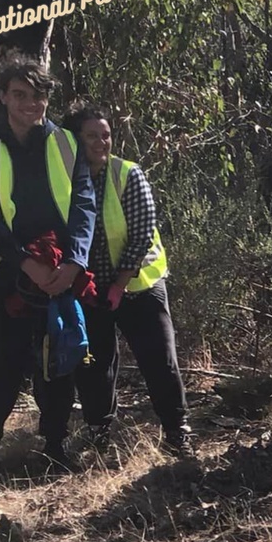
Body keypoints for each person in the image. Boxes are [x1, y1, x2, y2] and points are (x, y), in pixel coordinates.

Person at [0, 58, 97, 472]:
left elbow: (84, 207)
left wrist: (74, 262)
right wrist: (25, 264)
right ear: (2, 97)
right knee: (7, 360)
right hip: (7, 274)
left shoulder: (67, 144)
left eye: (38, 96)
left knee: (59, 360)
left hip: (61, 271)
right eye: (19, 94)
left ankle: (55, 446)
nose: (29, 104)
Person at [62, 107, 192, 459]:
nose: (101, 142)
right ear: (75, 141)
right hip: (89, 291)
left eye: (105, 134)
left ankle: (176, 431)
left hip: (139, 287)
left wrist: (119, 284)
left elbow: (141, 233)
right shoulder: (64, 178)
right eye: (92, 135)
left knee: (159, 360)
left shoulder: (127, 173)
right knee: (93, 365)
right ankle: (99, 432)